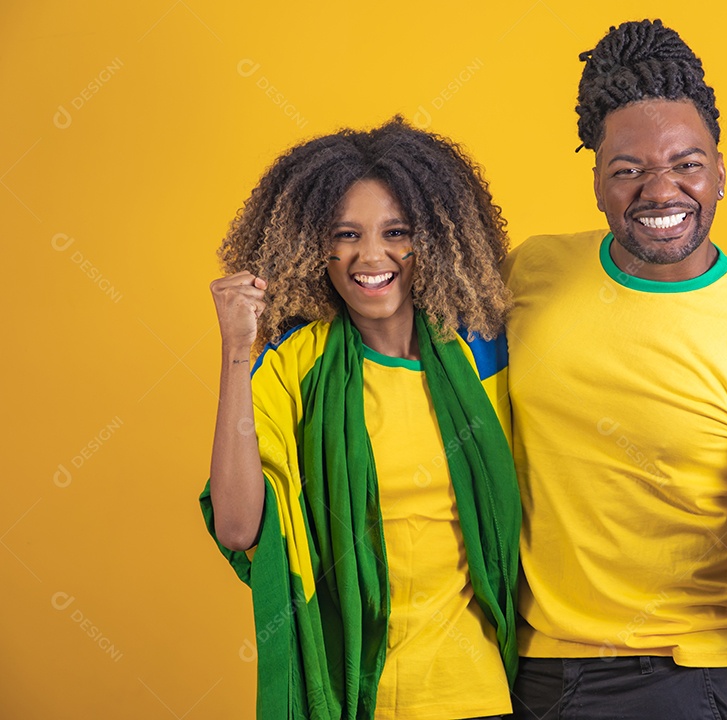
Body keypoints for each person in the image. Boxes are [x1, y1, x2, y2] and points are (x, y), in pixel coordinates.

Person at [504, 19, 727, 720]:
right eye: (629, 170)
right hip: (522, 668)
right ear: (597, 183)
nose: (661, 190)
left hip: (676, 682)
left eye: (687, 164)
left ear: (721, 174)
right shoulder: (534, 270)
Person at [198, 118, 521, 720]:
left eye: (396, 231)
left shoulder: (484, 358)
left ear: (437, 237)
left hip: (479, 692)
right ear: (313, 245)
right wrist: (236, 352)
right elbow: (240, 528)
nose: (371, 256)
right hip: (356, 695)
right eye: (346, 234)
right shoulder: (297, 366)